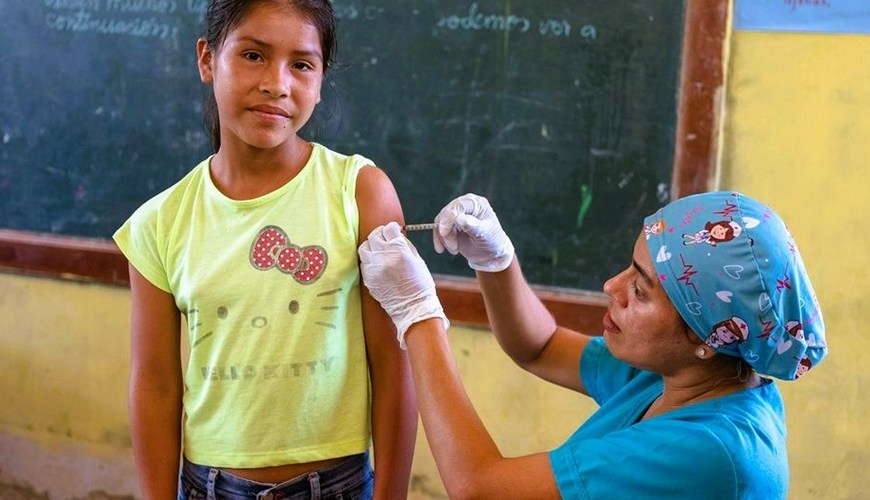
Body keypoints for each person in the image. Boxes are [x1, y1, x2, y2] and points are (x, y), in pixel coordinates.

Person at [113, 1, 416, 498]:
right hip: (210, 486)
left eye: (302, 64)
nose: (277, 84)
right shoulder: (159, 223)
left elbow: (392, 363)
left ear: (320, 79)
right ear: (207, 59)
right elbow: (156, 386)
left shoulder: (361, 193)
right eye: (253, 55)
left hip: (339, 485)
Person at [358, 191, 827, 499]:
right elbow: (539, 346)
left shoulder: (712, 452)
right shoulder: (682, 376)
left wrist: (418, 313)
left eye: (640, 290)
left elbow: (478, 487)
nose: (611, 287)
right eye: (629, 268)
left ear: (706, 337)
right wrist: (496, 261)